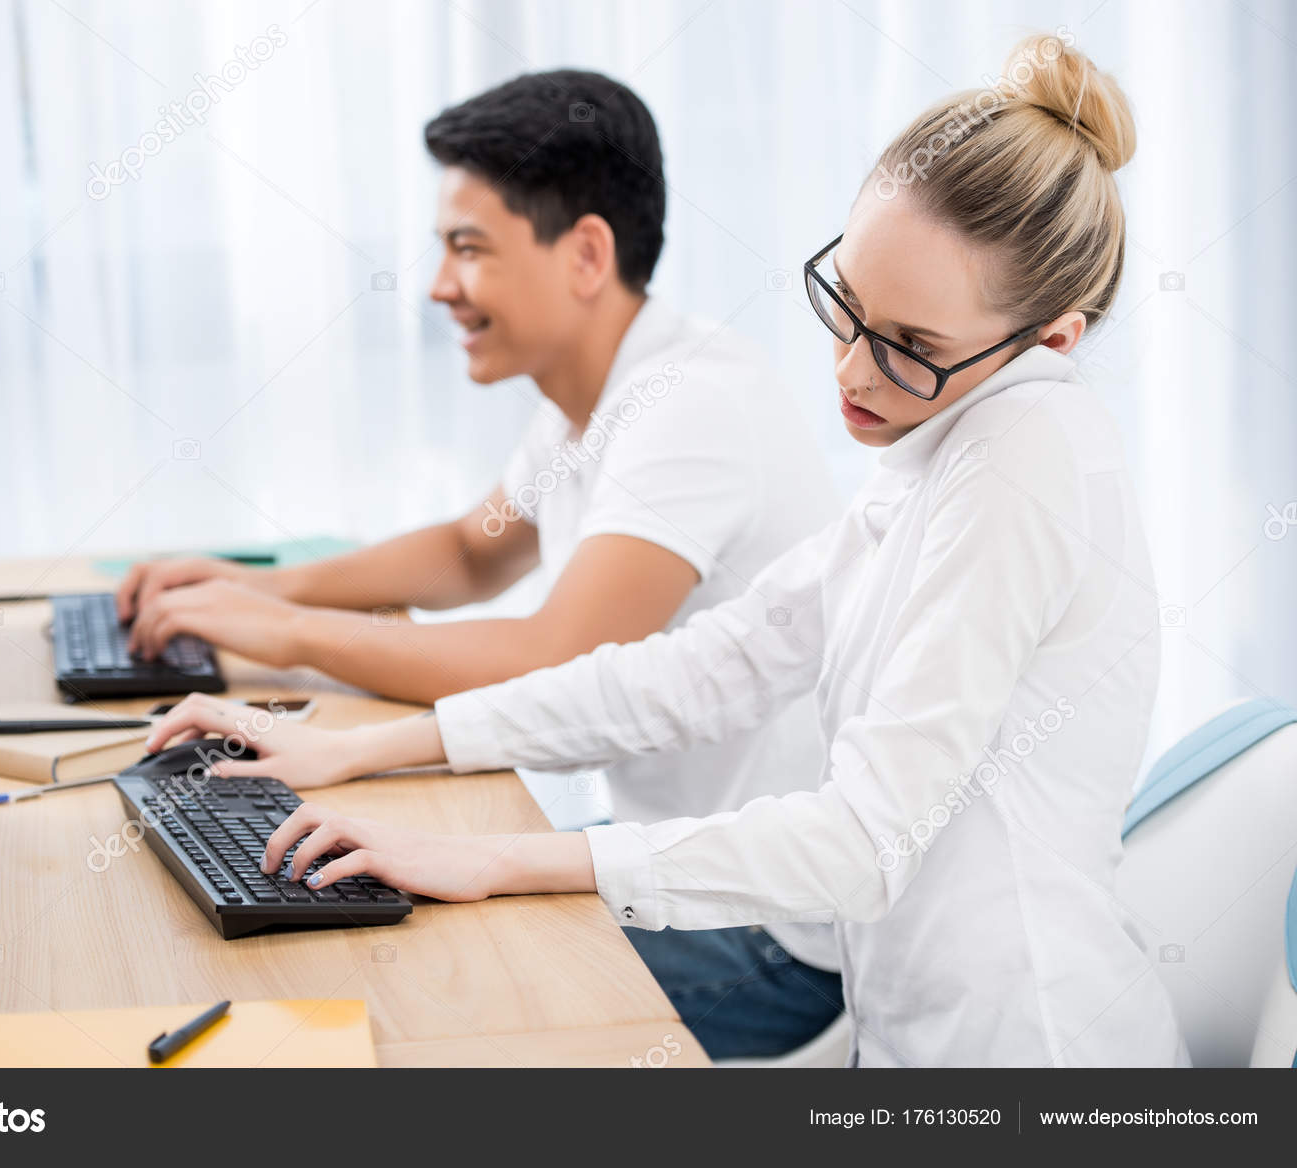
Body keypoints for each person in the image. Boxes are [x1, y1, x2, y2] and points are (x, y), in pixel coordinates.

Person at [144, 34, 1190, 1067]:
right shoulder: (933, 455)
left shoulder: (1022, 468)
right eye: (847, 310)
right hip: (909, 1029)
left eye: (909, 347)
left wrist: (493, 855)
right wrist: (361, 747)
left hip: (1038, 1061)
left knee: (454, 1009)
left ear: (1051, 342)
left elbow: (860, 841)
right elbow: (710, 664)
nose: (852, 371)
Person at [120, 70, 845, 1056]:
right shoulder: (587, 402)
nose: (437, 285)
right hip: (666, 873)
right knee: (360, 927)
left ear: (586, 254)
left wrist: (287, 634)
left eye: (468, 248)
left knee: (408, 995)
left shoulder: (687, 408)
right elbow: (472, 551)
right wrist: (262, 587)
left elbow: (556, 651)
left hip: (762, 936)